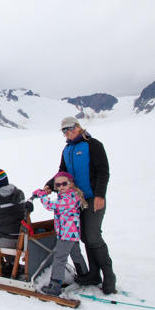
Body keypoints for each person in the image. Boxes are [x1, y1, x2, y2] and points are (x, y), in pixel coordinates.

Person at [44, 116, 117, 294]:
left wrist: (100, 195)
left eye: (71, 128)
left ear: (78, 126)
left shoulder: (93, 145)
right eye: (64, 130)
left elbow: (103, 170)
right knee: (84, 237)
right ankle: (93, 274)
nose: (68, 132)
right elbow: (62, 172)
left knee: (93, 236)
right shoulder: (67, 150)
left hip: (93, 198)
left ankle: (109, 276)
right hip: (76, 200)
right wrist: (49, 185)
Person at [35, 172, 88, 295]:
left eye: (64, 183)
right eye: (58, 185)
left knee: (59, 257)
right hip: (71, 232)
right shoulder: (70, 195)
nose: (61, 186)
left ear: (71, 184)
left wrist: (41, 194)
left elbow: (50, 205)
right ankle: (84, 276)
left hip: (66, 233)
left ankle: (55, 285)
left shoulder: (67, 198)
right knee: (76, 254)